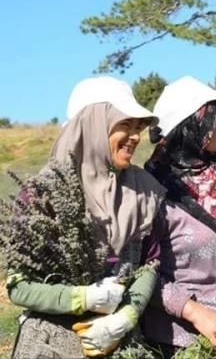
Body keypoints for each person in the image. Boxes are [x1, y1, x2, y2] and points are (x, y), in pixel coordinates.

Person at [8, 77, 165, 358]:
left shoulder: (144, 191)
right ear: (93, 126)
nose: (135, 136)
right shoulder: (42, 195)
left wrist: (126, 317)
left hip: (119, 346)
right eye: (124, 125)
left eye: (137, 127)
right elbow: (18, 286)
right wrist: (82, 298)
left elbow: (149, 265)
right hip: (49, 346)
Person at [142, 76, 216, 356]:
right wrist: (195, 312)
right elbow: (139, 274)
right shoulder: (152, 193)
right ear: (193, 125)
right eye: (215, 118)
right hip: (179, 343)